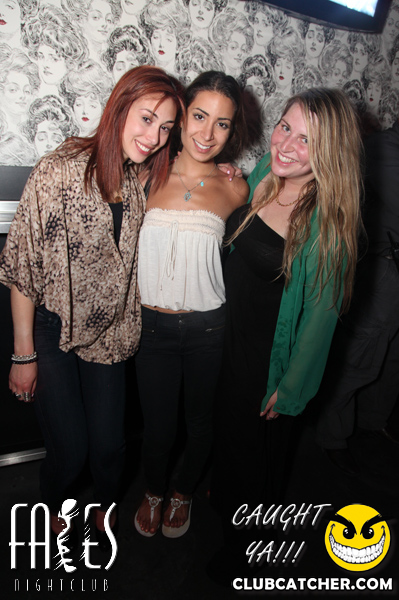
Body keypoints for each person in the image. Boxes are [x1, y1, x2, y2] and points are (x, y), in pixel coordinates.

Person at [0, 65, 184, 548]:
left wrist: (226, 171)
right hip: (52, 326)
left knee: (109, 446)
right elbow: (23, 266)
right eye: (147, 119)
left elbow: (195, 175)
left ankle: (104, 505)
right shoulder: (60, 169)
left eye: (166, 128)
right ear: (120, 108)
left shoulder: (144, 176)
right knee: (70, 449)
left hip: (111, 330)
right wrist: (23, 355)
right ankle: (55, 503)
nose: (154, 137)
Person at [209, 87, 362, 583]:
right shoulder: (264, 174)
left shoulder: (327, 225)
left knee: (256, 463)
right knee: (228, 445)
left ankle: (245, 554)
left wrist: (291, 388)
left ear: (331, 153)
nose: (287, 145)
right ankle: (228, 508)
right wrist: (229, 178)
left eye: (307, 140)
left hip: (264, 364)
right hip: (228, 342)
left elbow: (320, 321)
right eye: (285, 126)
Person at [133, 71, 249, 538]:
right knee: (158, 428)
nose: (208, 133)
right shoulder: (146, 174)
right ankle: (153, 490)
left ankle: (182, 492)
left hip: (208, 331)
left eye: (222, 123)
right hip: (152, 330)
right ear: (181, 118)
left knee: (201, 424)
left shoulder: (236, 188)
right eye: (199, 116)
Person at [316, 110, 399, 474]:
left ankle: (372, 422)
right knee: (359, 359)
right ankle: (331, 437)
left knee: (393, 359)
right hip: (383, 270)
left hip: (391, 272)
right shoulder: (383, 148)